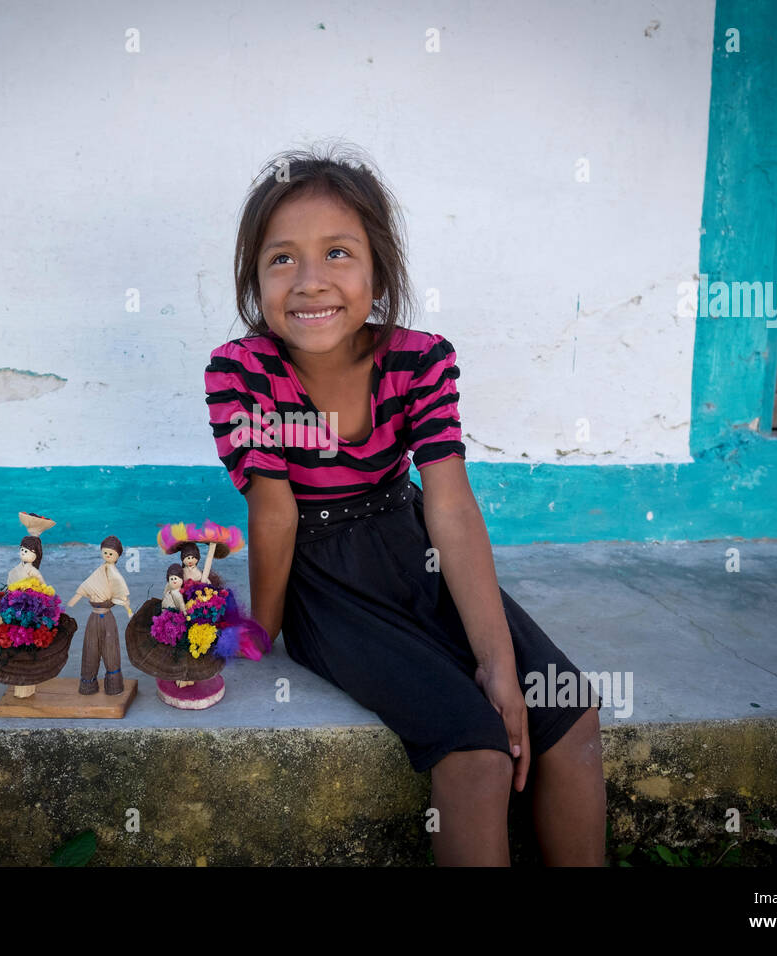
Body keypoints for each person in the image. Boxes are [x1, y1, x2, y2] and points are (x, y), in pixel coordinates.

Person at [202, 144, 606, 866]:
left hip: (412, 542)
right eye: (282, 259)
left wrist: (499, 662)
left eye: (337, 253)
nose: (311, 281)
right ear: (253, 279)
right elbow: (275, 513)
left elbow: (448, 506)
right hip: (324, 581)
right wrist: (264, 628)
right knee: (476, 755)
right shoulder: (244, 372)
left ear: (379, 271)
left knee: (569, 714)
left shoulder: (420, 361)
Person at [67, 535, 132, 695]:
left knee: (111, 650)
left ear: (117, 556)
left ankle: (114, 686)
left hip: (107, 616)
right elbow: (86, 586)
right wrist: (71, 602)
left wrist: (127, 608)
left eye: (111, 554)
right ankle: (87, 684)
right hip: (94, 616)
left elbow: (121, 591)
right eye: (106, 553)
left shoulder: (115, 574)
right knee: (90, 649)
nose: (108, 556)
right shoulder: (98, 571)